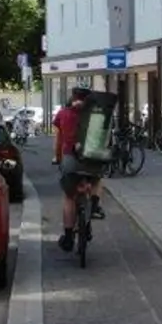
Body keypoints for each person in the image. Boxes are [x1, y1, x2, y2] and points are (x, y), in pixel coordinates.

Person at [52, 89, 105, 252]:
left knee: (69, 197)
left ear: (72, 98)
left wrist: (57, 158)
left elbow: (58, 141)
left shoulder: (63, 114)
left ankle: (68, 237)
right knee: (97, 179)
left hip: (70, 160)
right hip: (92, 159)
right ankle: (95, 205)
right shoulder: (97, 114)